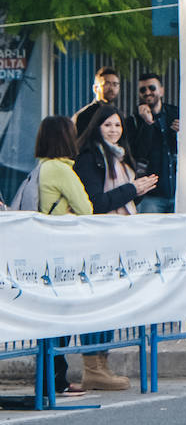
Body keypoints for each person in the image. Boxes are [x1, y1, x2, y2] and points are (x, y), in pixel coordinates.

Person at [73, 105, 158, 390]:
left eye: (118, 125)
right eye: (108, 125)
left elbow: (124, 202)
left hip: (117, 244)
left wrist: (137, 191)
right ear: (96, 127)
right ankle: (92, 366)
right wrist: (133, 189)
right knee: (97, 304)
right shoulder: (89, 158)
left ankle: (102, 364)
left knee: (110, 304)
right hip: (97, 243)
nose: (114, 130)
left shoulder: (119, 157)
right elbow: (96, 204)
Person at [31, 118, 96, 396]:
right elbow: (87, 208)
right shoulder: (61, 169)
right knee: (62, 317)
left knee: (49, 317)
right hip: (62, 254)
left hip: (43, 250)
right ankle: (56, 379)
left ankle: (52, 377)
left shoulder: (41, 168)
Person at [130, 71, 179, 213]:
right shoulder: (133, 121)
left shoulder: (175, 113)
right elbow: (139, 153)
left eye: (152, 88)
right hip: (150, 196)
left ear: (161, 91)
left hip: (178, 191)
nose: (147, 92)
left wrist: (183, 133)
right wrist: (147, 123)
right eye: (142, 90)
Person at [73, 66, 121, 137]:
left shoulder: (119, 114)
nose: (111, 88)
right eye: (106, 83)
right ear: (95, 88)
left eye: (115, 84)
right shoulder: (84, 115)